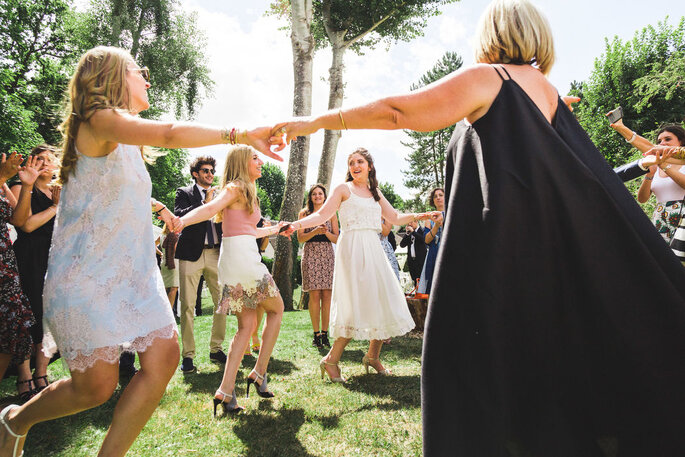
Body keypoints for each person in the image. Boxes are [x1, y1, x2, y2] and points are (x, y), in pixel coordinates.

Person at [272, 1, 685, 454]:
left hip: (501, 259)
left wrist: (312, 122)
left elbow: (398, 112)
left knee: (476, 371)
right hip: (546, 263)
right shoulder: (547, 92)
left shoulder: (491, 78)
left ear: (491, 35)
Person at [0, 46, 284, 457]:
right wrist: (237, 134)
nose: (147, 79)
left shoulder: (129, 145)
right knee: (95, 388)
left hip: (133, 276)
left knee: (164, 358)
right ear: (110, 77)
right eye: (139, 71)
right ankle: (14, 421)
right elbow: (168, 134)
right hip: (87, 275)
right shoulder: (95, 122)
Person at [283, 148, 433, 382]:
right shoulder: (343, 189)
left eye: (360, 161)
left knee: (382, 298)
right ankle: (330, 360)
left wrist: (421, 215)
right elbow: (321, 215)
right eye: (351, 162)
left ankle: (372, 356)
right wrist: (296, 224)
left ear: (369, 166)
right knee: (356, 304)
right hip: (352, 249)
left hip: (373, 248)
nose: (355, 165)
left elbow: (394, 217)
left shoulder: (375, 192)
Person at [175, 145, 288, 415]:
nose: (261, 162)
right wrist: (182, 222)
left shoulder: (247, 191)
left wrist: (278, 229)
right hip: (243, 260)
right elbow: (208, 208)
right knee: (277, 309)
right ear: (242, 162)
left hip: (235, 257)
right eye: (255, 158)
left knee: (246, 326)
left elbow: (250, 229)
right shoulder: (235, 187)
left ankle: (226, 390)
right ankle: (259, 372)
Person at [10, 146, 59, 399]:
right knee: (27, 313)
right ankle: (23, 374)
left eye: (50, 160)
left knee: (47, 315)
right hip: (29, 255)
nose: (44, 164)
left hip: (54, 256)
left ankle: (41, 373)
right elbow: (26, 225)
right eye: (39, 159)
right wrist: (54, 208)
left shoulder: (58, 191)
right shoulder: (20, 188)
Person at [174, 157, 227, 373]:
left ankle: (216, 348)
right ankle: (188, 356)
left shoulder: (221, 195)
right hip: (190, 255)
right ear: (195, 173)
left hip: (216, 253)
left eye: (212, 171)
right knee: (188, 306)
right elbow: (178, 216)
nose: (210, 174)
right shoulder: (184, 193)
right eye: (205, 170)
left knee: (222, 302)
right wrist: (205, 204)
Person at [0, 153, 40, 405]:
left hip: (5, 266)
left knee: (13, 330)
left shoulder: (2, 183)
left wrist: (26, 186)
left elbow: (18, 220)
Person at [610, 122, 685, 242]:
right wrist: (649, 175)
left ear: (681, 142)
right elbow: (642, 199)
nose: (662, 143)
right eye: (659, 141)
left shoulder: (681, 163)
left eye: (668, 139)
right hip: (661, 218)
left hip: (682, 217)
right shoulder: (656, 166)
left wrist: (664, 165)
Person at [297, 184, 338, 349]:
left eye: (320, 193)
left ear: (324, 196)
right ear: (310, 196)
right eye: (314, 194)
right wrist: (315, 232)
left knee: (327, 297)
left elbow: (336, 238)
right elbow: (300, 238)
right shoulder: (304, 213)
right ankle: (316, 334)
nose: (317, 196)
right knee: (314, 296)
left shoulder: (331, 213)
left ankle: (325, 333)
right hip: (311, 254)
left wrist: (325, 232)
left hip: (327, 255)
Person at [417, 188, 444, 294]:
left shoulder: (452, 214)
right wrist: (436, 225)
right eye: (435, 196)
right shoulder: (429, 218)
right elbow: (427, 240)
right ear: (433, 201)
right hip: (434, 253)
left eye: (440, 195)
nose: (438, 197)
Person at [399, 220, 427, 285]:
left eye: (411, 222)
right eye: (408, 223)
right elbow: (402, 245)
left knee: (422, 281)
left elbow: (423, 240)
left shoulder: (422, 230)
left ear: (416, 222)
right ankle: (417, 294)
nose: (409, 224)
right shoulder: (409, 233)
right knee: (415, 281)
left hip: (420, 261)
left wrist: (413, 232)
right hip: (411, 261)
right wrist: (407, 234)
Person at [160, 224, 179, 311]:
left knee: (164, 288)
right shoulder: (174, 236)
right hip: (173, 263)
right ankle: (169, 311)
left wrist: (160, 253)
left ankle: (162, 309)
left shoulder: (162, 235)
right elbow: (177, 250)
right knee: (174, 288)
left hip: (164, 262)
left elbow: (153, 244)